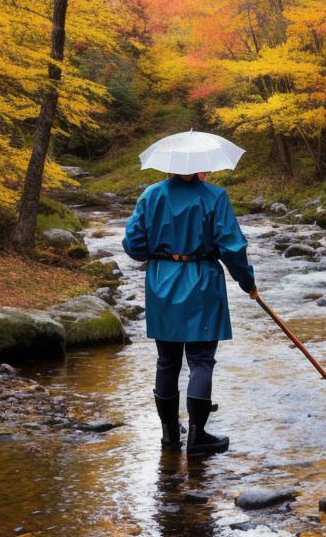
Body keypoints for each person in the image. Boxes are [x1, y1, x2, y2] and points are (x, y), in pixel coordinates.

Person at [123, 170, 257, 457]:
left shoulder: (151, 195)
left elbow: (133, 245)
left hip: (161, 281)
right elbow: (233, 248)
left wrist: (160, 250)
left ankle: (170, 436)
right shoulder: (215, 196)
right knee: (201, 361)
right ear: (201, 167)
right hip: (203, 282)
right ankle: (198, 437)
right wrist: (248, 282)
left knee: (167, 362)